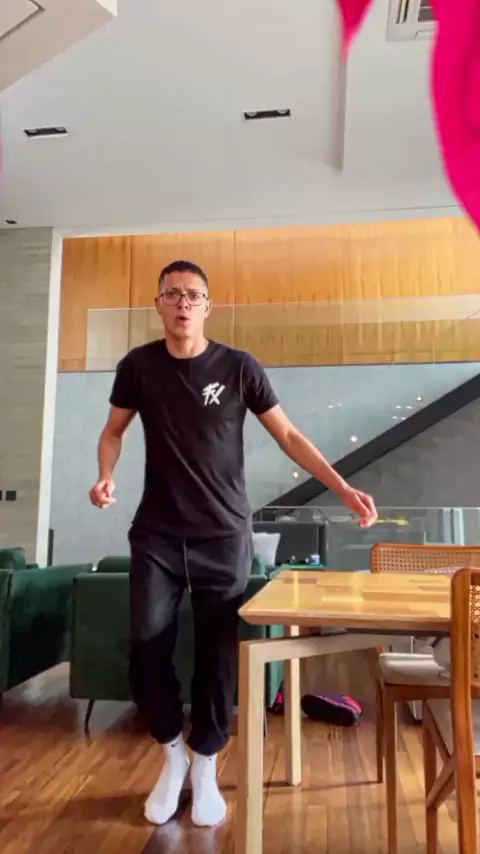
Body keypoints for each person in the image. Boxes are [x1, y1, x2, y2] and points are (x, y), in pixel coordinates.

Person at [89, 259, 378, 828]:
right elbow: (113, 431)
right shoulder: (138, 366)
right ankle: (172, 752)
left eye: (193, 295)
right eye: (173, 294)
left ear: (207, 306)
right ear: (158, 304)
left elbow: (288, 434)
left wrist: (342, 487)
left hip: (223, 532)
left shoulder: (240, 367)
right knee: (146, 646)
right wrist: (105, 475)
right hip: (157, 532)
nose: (183, 303)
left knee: (218, 654)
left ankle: (205, 761)